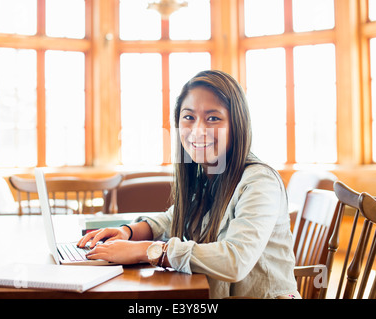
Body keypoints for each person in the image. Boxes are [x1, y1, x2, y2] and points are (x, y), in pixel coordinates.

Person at [77, 70, 300, 299]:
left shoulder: (260, 182)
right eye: (189, 117)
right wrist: (128, 232)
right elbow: (176, 217)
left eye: (213, 118)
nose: (198, 131)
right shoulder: (210, 173)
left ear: (237, 124)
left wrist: (146, 251)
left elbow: (236, 260)